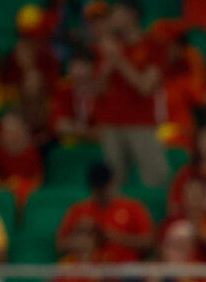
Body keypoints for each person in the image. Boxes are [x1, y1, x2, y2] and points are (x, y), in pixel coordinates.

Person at [96, 0, 169, 188]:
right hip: (111, 124)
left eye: (117, 12)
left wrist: (119, 61)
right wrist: (108, 65)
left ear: (132, 15)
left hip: (141, 124)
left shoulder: (154, 46)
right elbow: (99, 90)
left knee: (156, 180)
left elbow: (145, 86)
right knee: (113, 185)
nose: (112, 17)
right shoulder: (109, 48)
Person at [57, 163, 154, 263]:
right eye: (96, 187)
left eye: (103, 187)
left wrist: (115, 237)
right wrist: (78, 232)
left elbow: (149, 243)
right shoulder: (79, 210)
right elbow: (60, 245)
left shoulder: (133, 207)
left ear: (112, 183)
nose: (100, 192)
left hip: (125, 270)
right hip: (89, 269)